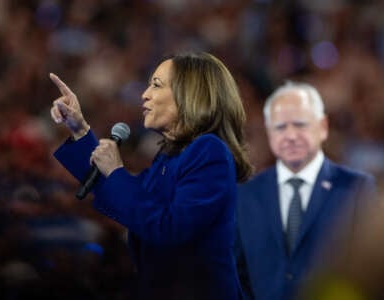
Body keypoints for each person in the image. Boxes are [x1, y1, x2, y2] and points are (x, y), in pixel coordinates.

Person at [49, 51, 254, 300]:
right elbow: (126, 198)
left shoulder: (209, 150)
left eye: (156, 85)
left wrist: (116, 171)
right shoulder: (169, 157)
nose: (145, 95)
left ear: (189, 94)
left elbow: (170, 229)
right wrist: (80, 130)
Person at [235, 81, 376, 300]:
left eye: (300, 125)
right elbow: (238, 277)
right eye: (280, 127)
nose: (290, 135)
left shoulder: (357, 190)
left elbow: (371, 273)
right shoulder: (246, 195)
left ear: (323, 127)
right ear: (269, 133)